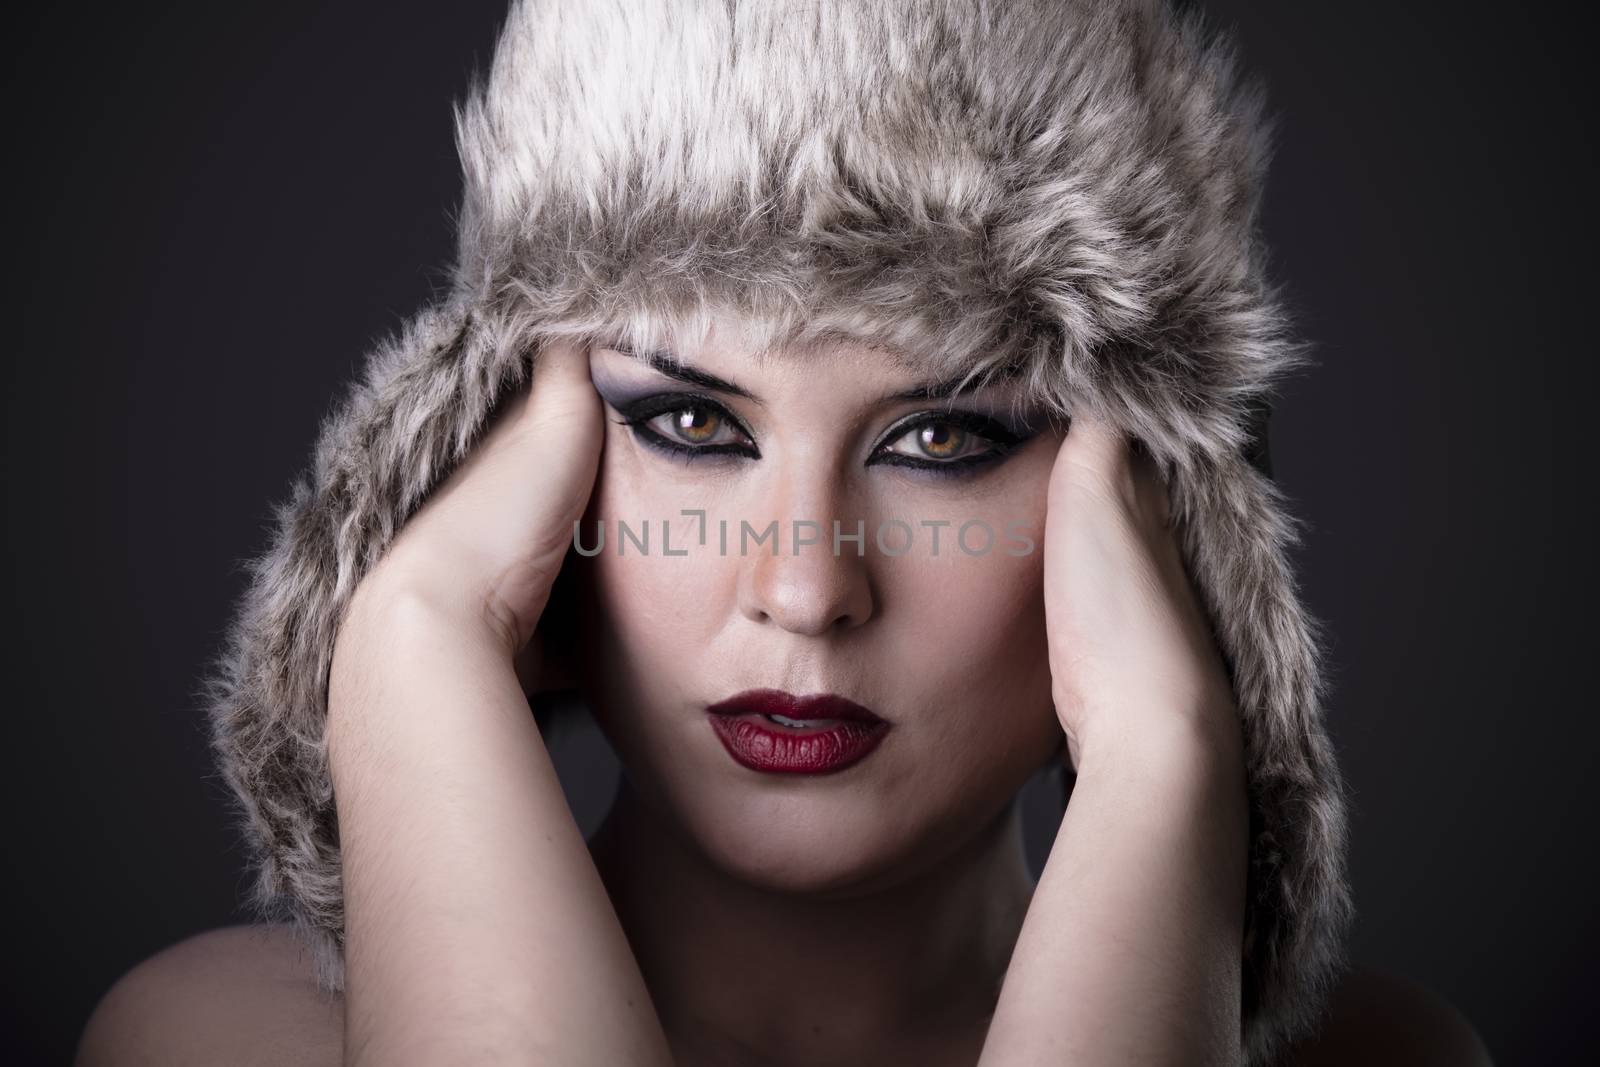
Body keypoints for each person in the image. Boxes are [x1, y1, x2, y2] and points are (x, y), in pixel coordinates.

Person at [77, 1, 1493, 1064]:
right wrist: (408, 636)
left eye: (945, 440)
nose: (807, 591)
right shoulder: (215, 1044)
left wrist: (1167, 749)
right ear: (489, 459)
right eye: (692, 428)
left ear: (1161, 511)